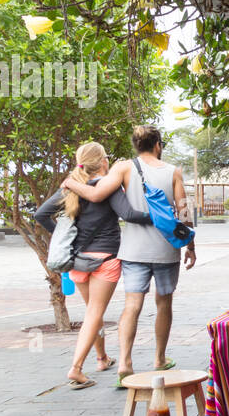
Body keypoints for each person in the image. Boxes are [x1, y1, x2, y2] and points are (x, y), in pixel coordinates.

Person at [61, 125, 197, 385]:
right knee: (163, 302)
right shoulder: (173, 172)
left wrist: (70, 183)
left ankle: (125, 363)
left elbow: (97, 193)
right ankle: (159, 358)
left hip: (133, 250)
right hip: (166, 249)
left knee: (132, 305)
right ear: (158, 144)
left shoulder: (123, 168)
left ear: (136, 145)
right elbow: (183, 213)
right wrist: (190, 245)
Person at [34, 141, 153, 389]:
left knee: (92, 312)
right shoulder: (107, 186)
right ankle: (76, 368)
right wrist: (155, 216)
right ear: (102, 162)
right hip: (104, 260)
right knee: (94, 313)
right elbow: (129, 215)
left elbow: (41, 214)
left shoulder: (71, 187)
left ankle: (101, 358)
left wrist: (63, 236)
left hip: (77, 260)